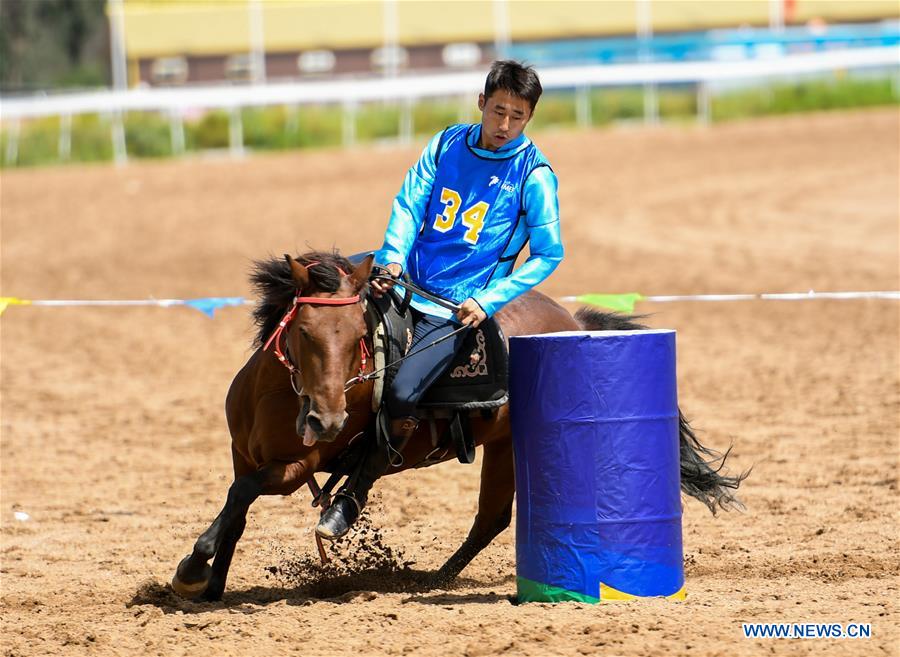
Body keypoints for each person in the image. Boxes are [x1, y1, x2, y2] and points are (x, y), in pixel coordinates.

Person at [316, 60, 564, 540]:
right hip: (403, 279)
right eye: (498, 111)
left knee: (403, 392)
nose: (505, 125)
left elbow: (548, 254)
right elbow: (410, 203)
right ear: (481, 103)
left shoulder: (535, 175)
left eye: (517, 116)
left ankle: (353, 496)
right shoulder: (447, 143)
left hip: (454, 310)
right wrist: (389, 260)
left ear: (529, 117)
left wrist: (489, 302)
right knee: (325, 311)